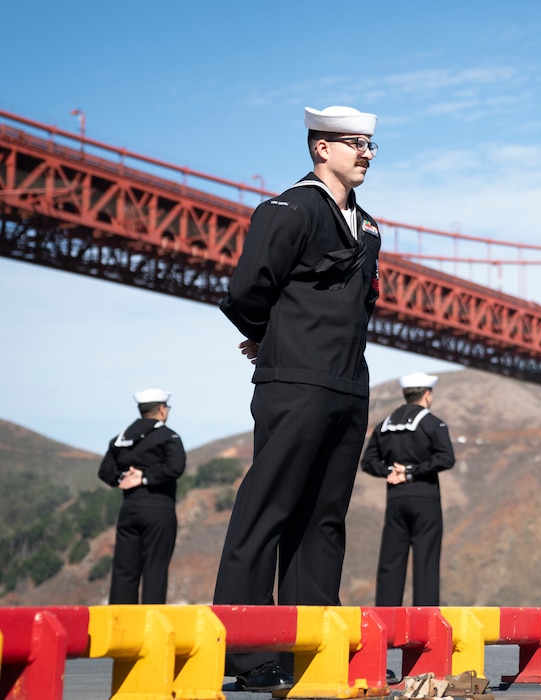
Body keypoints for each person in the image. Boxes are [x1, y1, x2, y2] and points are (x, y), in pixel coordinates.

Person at [213, 105, 381, 692]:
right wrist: (269, 340)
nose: (365, 153)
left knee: (323, 519)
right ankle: (247, 653)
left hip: (348, 385)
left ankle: (311, 651)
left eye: (371, 145)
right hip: (297, 382)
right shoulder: (289, 208)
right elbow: (245, 289)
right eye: (353, 143)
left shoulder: (369, 226)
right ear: (320, 149)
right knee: (269, 508)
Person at [361, 372, 455, 606]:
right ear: (427, 394)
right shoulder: (433, 423)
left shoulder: (385, 425)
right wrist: (412, 471)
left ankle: (385, 622)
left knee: (391, 562)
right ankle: (425, 625)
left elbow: (368, 462)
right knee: (426, 564)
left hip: (395, 499)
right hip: (425, 499)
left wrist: (390, 471)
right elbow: (446, 459)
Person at [97, 388, 185, 604]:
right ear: (162, 410)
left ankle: (120, 627)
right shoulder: (168, 436)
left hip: (129, 510)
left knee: (124, 571)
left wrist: (122, 478)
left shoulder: (120, 439)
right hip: (158, 509)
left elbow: (104, 471)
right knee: (155, 569)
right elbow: (176, 467)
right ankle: (151, 627)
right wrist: (144, 477)